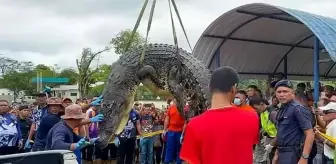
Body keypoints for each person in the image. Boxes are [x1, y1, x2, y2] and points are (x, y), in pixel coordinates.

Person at [180, 66, 259, 164]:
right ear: (234, 89)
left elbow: (191, 161)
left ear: (209, 87)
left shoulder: (194, 124)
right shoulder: (252, 118)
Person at [272, 80, 315, 164]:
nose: (282, 94)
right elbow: (281, 134)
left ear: (293, 93)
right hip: (282, 152)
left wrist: (304, 158)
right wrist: (276, 154)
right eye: (279, 92)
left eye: (285, 91)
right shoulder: (282, 109)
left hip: (293, 153)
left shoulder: (297, 108)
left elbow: (310, 133)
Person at [249, 96, 277, 163]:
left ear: (261, 104)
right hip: (271, 140)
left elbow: (281, 131)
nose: (255, 110)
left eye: (256, 108)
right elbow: (266, 127)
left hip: (278, 142)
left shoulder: (273, 113)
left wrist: (271, 145)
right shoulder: (262, 113)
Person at [163, 99, 185, 164]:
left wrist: (183, 133)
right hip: (171, 131)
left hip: (180, 132)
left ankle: (178, 162)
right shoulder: (171, 108)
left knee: (179, 149)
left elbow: (186, 122)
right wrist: (164, 130)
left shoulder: (184, 109)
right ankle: (167, 161)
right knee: (169, 148)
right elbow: (167, 119)